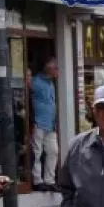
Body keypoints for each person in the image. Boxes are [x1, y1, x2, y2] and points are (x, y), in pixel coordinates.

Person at [29, 56, 59, 192]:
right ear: (49, 69)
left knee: (53, 151)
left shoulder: (51, 83)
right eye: (56, 68)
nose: (58, 71)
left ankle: (49, 180)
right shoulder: (36, 82)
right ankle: (37, 180)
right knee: (37, 152)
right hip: (39, 122)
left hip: (51, 124)